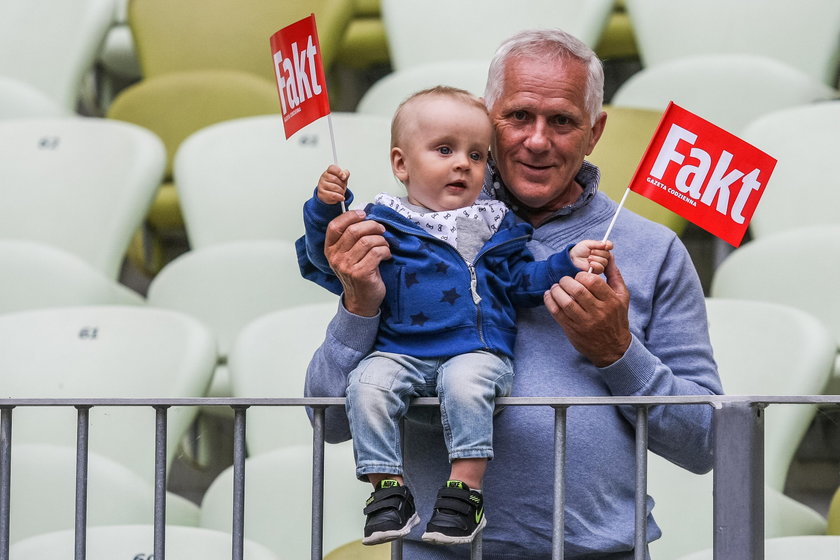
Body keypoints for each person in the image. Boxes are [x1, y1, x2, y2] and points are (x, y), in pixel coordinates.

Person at [301, 28, 723, 559]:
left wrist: (618, 352)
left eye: (563, 121)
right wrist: (358, 307)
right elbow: (329, 422)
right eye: (519, 116)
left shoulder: (651, 249)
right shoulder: (409, 233)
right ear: (487, 116)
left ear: (595, 132)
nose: (538, 140)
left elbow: (706, 440)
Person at [299, 86, 612, 547]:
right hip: (401, 353)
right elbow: (328, 252)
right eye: (444, 150)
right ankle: (387, 490)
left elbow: (524, 281)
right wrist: (326, 207)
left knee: (465, 384)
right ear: (402, 164)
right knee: (367, 384)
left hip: (477, 351)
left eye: (477, 154)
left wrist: (567, 262)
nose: (463, 163)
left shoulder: (497, 226)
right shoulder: (383, 221)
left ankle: (465, 492)